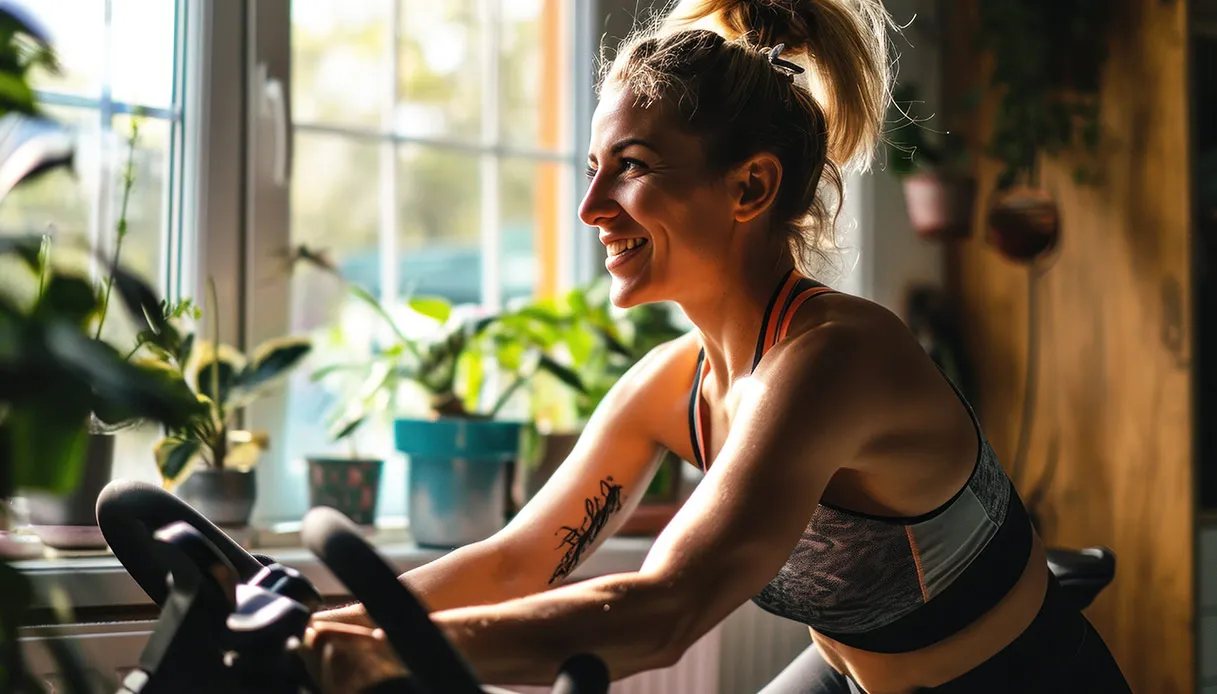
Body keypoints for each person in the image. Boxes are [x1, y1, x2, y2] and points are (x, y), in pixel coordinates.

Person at [306, 1, 1132, 692]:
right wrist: (307, 624)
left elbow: (665, 610)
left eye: (629, 167)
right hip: (846, 678)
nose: (591, 205)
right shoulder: (675, 385)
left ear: (750, 186)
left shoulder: (834, 359)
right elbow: (518, 559)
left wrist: (386, 653)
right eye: (593, 167)